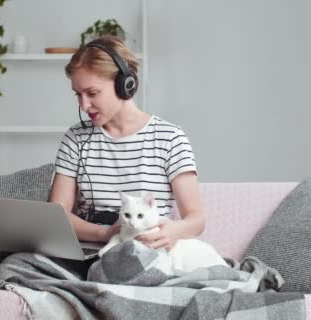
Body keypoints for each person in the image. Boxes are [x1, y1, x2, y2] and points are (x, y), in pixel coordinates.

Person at [49, 36, 204, 253]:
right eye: (78, 94)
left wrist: (174, 232)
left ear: (125, 84)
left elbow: (196, 220)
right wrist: (104, 234)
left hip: (145, 253)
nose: (84, 105)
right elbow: (57, 215)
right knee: (16, 263)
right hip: (89, 254)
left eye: (92, 93)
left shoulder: (170, 138)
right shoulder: (75, 138)